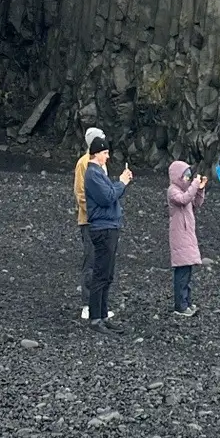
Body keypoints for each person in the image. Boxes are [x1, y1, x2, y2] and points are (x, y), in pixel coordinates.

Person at [83, 136, 134, 332]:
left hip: (109, 226)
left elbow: (111, 194)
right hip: (102, 228)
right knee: (101, 273)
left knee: (107, 274)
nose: (107, 156)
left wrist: (120, 184)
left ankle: (103, 315)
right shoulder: (93, 174)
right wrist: (121, 183)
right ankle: (96, 318)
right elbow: (107, 197)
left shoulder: (98, 173)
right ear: (96, 153)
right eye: (104, 153)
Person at [166, 160, 207, 317]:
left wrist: (200, 190)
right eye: (185, 176)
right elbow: (183, 199)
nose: (188, 179)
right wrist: (195, 184)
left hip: (187, 233)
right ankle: (180, 306)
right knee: (181, 272)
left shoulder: (184, 190)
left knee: (187, 271)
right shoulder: (172, 190)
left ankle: (187, 302)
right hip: (180, 235)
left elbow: (195, 203)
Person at [74, 125, 105, 318]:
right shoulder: (83, 163)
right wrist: (95, 212)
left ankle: (98, 304)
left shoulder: (100, 162)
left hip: (102, 220)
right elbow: (80, 193)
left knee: (102, 262)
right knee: (91, 260)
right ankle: (87, 304)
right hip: (89, 220)